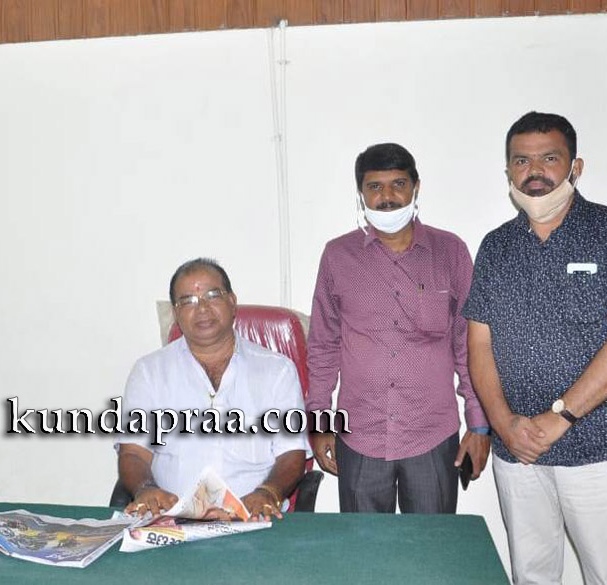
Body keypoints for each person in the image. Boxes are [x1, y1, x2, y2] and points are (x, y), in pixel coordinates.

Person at [463, 111, 607, 585]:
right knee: (531, 575)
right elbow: (479, 344)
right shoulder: (496, 247)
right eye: (521, 161)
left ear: (576, 167)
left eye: (549, 158)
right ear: (508, 171)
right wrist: (504, 425)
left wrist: (559, 419)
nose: (534, 171)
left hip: (597, 450)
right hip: (517, 453)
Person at [306, 143, 490, 514]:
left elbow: (467, 344)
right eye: (375, 187)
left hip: (431, 434)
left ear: (416, 188)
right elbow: (323, 345)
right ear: (361, 193)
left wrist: (479, 424)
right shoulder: (337, 256)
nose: (387, 197)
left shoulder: (450, 252)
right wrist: (319, 422)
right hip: (359, 435)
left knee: (432, 547)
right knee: (364, 547)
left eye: (398, 184)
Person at [115, 258, 309, 521]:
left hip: (253, 518)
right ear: (176, 313)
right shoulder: (149, 371)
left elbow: (291, 453)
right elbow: (133, 452)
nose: (202, 308)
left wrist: (268, 492)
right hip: (173, 519)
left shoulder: (277, 371)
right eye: (188, 301)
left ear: (232, 302)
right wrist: (146, 489)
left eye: (212, 295)